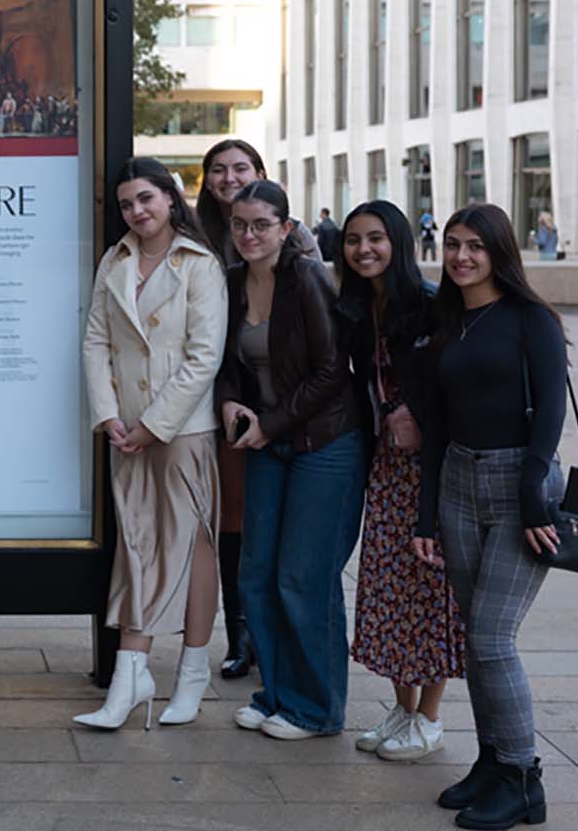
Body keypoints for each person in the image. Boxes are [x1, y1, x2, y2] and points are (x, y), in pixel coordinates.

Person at [412, 204, 566, 830]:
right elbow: (436, 426)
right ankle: (493, 761)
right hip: (456, 480)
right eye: (452, 245)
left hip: (517, 485)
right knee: (475, 638)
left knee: (491, 637)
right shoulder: (450, 322)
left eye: (475, 245)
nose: (461, 257)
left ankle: (524, 778)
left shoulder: (532, 320)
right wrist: (426, 515)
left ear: (499, 251)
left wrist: (534, 494)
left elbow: (550, 410)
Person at [75, 158, 226, 730]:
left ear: (170, 198)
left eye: (146, 199)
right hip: (127, 432)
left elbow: (203, 356)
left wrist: (153, 424)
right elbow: (95, 340)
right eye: (126, 204)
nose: (137, 212)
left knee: (193, 549)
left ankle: (192, 672)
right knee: (135, 545)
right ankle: (131, 673)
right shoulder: (115, 261)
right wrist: (110, 416)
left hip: (182, 430)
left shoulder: (199, 263)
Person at [214, 180, 365, 741]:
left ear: (285, 227)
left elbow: (332, 371)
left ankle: (316, 708)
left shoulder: (305, 279)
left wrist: (270, 424)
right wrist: (230, 400)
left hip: (324, 443)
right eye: (239, 225)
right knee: (257, 574)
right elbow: (225, 359)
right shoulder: (231, 283)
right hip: (267, 442)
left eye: (260, 225)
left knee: (305, 578)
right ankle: (275, 693)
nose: (249, 235)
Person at [334, 201, 466, 762]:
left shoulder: (431, 306)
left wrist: (417, 415)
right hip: (386, 469)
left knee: (431, 588)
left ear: (400, 243)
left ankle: (431, 718)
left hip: (430, 468)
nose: (364, 249)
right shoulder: (360, 310)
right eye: (354, 239)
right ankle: (403, 709)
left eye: (376, 238)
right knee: (387, 586)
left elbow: (458, 388)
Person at [193, 139, 321, 682]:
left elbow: (321, 337)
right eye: (217, 170)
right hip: (225, 399)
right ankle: (240, 635)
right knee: (234, 524)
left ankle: (282, 640)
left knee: (280, 530)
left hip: (292, 408)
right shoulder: (196, 233)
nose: (228, 177)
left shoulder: (298, 245)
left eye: (239, 168)